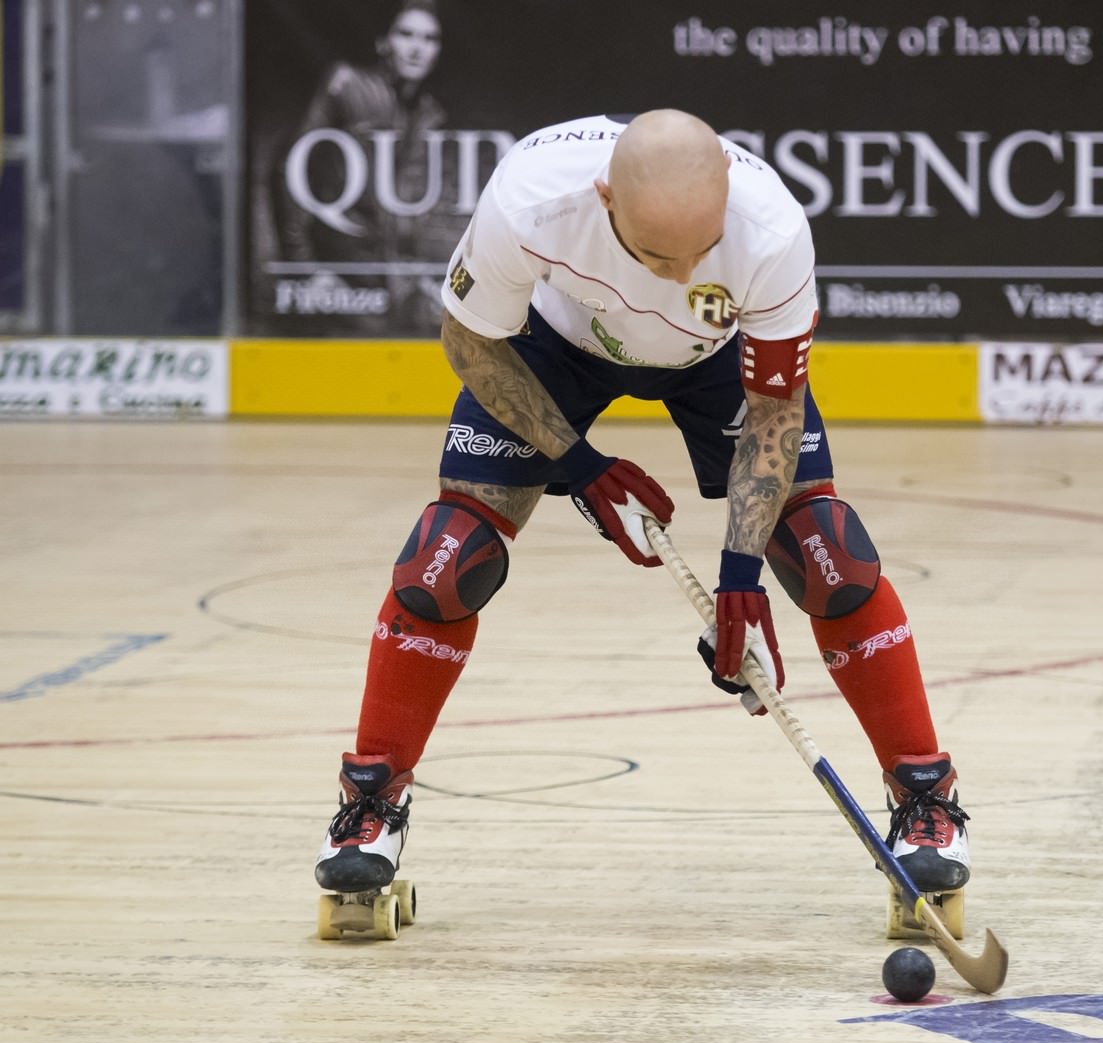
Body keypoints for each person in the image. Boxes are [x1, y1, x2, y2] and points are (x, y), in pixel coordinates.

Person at [313, 110, 971, 916]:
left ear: (726, 192)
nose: (680, 272)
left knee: (826, 550)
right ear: (604, 201)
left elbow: (773, 409)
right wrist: (579, 465)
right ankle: (371, 803)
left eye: (699, 251)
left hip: (714, 363)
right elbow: (470, 342)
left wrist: (740, 577)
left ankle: (925, 801)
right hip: (554, 345)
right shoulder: (531, 200)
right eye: (657, 255)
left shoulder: (770, 229)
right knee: (444, 561)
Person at [272, 0, 455, 332]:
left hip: (394, 290)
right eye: (406, 34)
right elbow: (289, 170)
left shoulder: (429, 111)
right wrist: (304, 269)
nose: (417, 48)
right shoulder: (347, 85)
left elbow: (416, 203)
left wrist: (424, 277)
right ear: (383, 42)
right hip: (342, 283)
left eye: (430, 39)